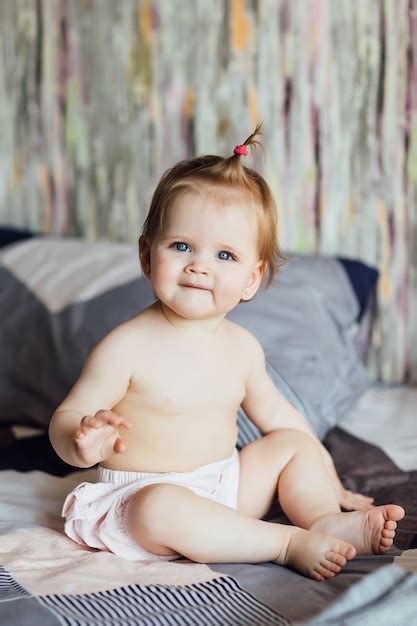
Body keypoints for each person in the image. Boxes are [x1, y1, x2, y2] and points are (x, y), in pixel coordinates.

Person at [49, 123, 405, 581]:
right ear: (146, 255)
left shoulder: (242, 348)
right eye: (181, 246)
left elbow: (283, 420)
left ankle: (320, 519)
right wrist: (80, 441)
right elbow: (68, 415)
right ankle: (284, 542)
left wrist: (329, 478)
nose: (199, 265)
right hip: (144, 499)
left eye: (225, 256)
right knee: (160, 507)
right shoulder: (125, 346)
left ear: (252, 279)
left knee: (293, 443)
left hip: (224, 486)